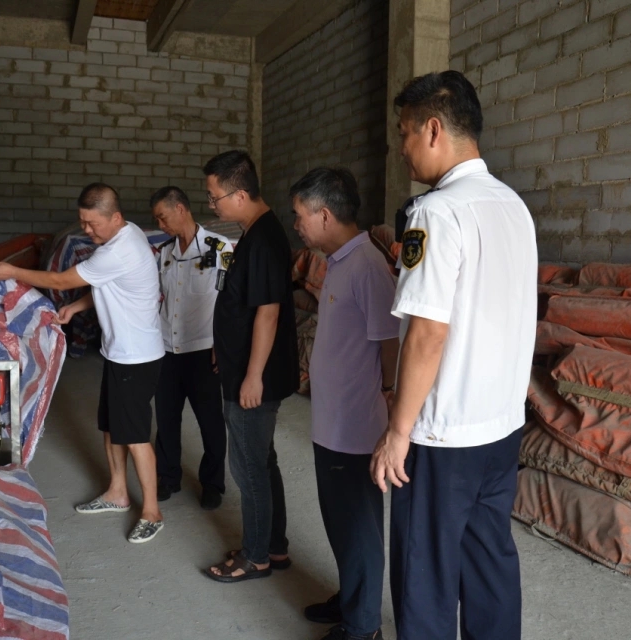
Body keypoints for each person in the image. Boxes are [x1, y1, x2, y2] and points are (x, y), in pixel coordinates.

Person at [370, 70, 538, 640]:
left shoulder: (435, 213)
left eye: (405, 133)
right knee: (489, 561)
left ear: (434, 130)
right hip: (500, 425)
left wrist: (398, 431)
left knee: (425, 577)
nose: (401, 148)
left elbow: (427, 333)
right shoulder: (513, 207)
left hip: (443, 436)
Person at [0, 182, 167, 544]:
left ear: (116, 217)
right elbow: (109, 286)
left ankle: (152, 511)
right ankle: (117, 492)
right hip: (119, 352)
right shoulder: (123, 235)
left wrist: (13, 272)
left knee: (135, 436)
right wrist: (76, 307)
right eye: (82, 221)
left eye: (92, 223)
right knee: (112, 426)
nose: (86, 230)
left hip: (137, 357)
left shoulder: (121, 248)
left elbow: (60, 279)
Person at [292, 167, 399, 640]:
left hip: (356, 427)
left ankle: (362, 627)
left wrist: (389, 399)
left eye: (300, 215)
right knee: (339, 521)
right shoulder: (339, 261)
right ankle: (350, 597)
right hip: (331, 423)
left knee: (358, 528)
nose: (296, 224)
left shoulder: (368, 266)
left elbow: (392, 343)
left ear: (324, 215)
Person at [202, 150, 299, 583]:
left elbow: (268, 313)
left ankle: (256, 556)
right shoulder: (256, 232)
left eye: (215, 197)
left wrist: (253, 375)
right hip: (242, 366)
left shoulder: (262, 240)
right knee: (262, 459)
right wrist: (224, 346)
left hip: (252, 377)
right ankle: (273, 546)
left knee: (249, 467)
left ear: (239, 195)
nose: (212, 205)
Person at [150, 186, 232, 510]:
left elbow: (231, 299)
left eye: (163, 217)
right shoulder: (165, 253)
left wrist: (223, 343)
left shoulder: (218, 247)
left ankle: (212, 483)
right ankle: (168, 477)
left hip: (203, 349)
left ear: (180, 209)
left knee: (210, 421)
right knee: (166, 418)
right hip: (167, 348)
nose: (160, 225)